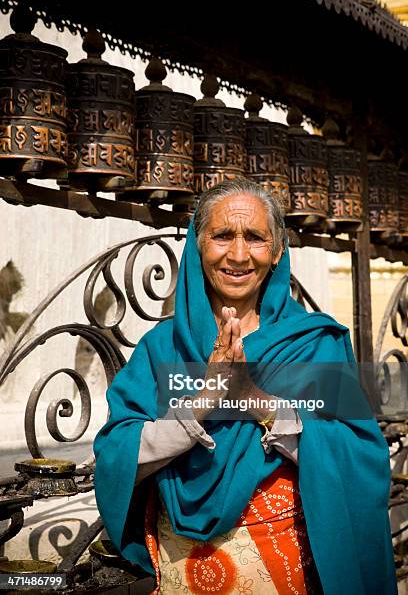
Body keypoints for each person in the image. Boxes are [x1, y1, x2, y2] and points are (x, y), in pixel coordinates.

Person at [94, 178, 396, 594]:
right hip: (182, 573)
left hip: (288, 576)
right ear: (198, 248)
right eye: (222, 236)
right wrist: (202, 403)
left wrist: (254, 399)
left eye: (255, 238)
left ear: (276, 253)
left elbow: (360, 458)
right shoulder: (160, 349)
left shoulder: (312, 345)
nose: (238, 254)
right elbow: (117, 457)